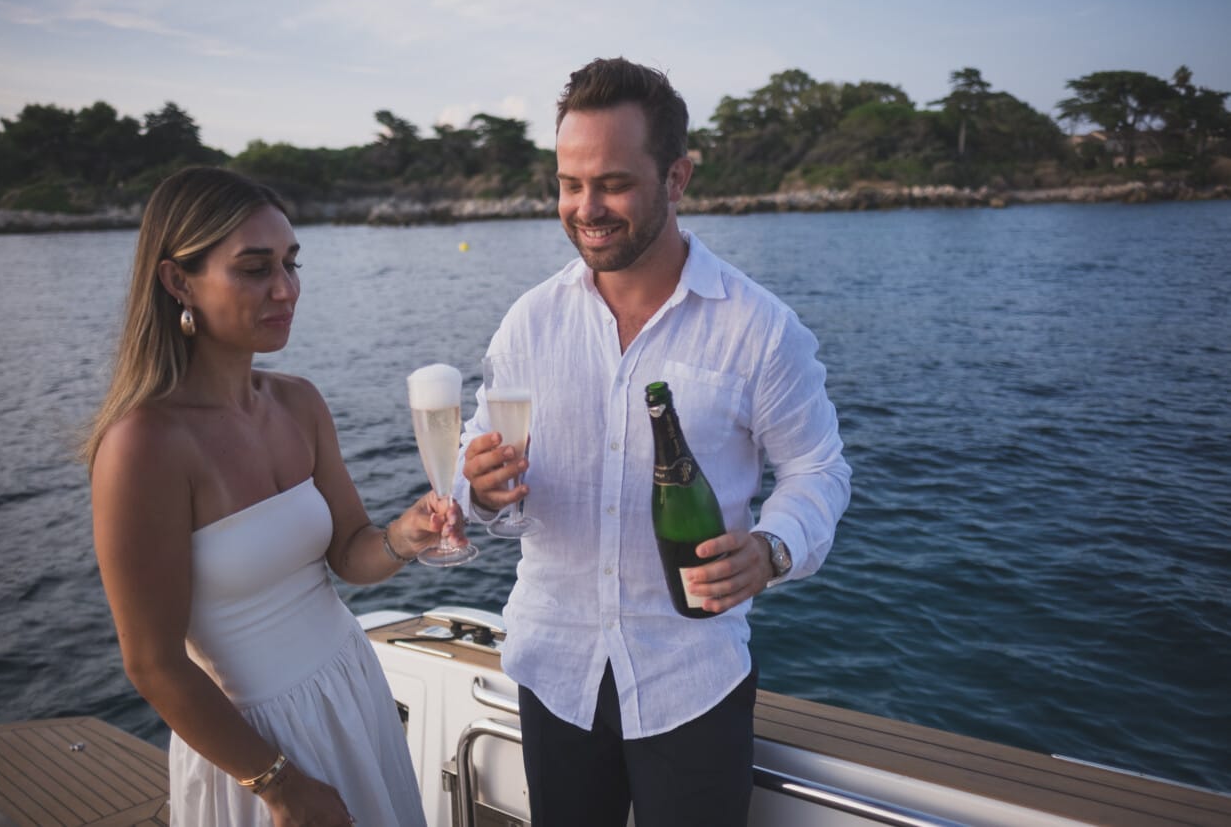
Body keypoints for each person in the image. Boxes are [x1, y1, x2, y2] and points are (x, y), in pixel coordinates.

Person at [459, 57, 851, 826]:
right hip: (555, 670)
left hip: (691, 678)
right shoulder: (528, 324)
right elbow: (483, 472)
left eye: (612, 183)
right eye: (570, 184)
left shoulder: (759, 328)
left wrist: (771, 548)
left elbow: (818, 468)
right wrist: (479, 486)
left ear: (678, 178)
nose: (586, 207)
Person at [84, 166, 460, 827]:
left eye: (290, 262)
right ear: (178, 281)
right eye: (254, 268)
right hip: (252, 746)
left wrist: (407, 533)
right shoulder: (143, 445)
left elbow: (349, 552)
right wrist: (278, 783)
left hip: (351, 688)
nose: (285, 288)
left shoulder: (299, 401)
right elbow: (152, 661)